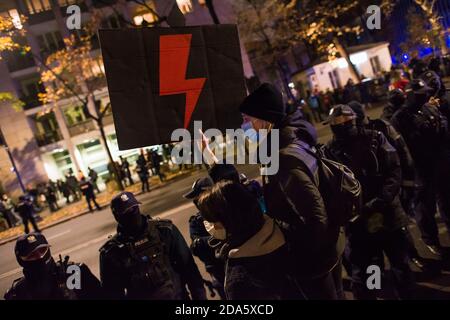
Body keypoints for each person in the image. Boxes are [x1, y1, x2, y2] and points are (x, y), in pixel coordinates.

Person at [239, 83, 345, 300]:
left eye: (248, 119)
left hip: (313, 259)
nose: (246, 125)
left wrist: (299, 255)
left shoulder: (282, 158)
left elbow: (315, 217)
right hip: (328, 248)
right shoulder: (295, 139)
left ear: (265, 119)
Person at [324, 105, 414, 300]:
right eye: (335, 124)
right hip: (358, 223)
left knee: (400, 264)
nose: (338, 128)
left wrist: (380, 200)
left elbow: (394, 170)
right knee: (370, 271)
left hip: (388, 214)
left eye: (341, 123)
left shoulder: (375, 138)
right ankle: (379, 294)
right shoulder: (329, 152)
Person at [348, 101, 426, 270]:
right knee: (380, 247)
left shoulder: (381, 128)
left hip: (388, 194)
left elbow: (402, 155)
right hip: (369, 202)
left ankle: (411, 257)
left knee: (400, 232)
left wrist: (406, 185)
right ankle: (385, 277)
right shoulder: (348, 139)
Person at [197, 180, 303, 300]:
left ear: (230, 220)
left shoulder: (240, 279)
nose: (211, 227)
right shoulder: (286, 234)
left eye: (213, 221)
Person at [99, 192, 206, 300]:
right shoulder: (111, 252)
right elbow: (112, 294)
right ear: (117, 216)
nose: (132, 213)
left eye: (134, 208)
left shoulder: (164, 231)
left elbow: (189, 267)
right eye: (126, 212)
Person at [391, 79, 450, 257]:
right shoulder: (400, 118)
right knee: (426, 209)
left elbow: (443, 131)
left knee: (447, 201)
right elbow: (403, 148)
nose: (424, 96)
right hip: (421, 169)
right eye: (419, 94)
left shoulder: (428, 108)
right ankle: (431, 240)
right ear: (409, 95)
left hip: (439, 164)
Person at [4, 232, 103, 300]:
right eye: (32, 255)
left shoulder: (72, 273)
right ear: (21, 260)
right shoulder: (18, 292)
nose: (40, 256)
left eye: (43, 250)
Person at [184, 177, 226, 299]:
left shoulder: (227, 210)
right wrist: (217, 240)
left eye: (198, 197)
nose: (196, 201)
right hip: (217, 270)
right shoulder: (196, 222)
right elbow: (196, 247)